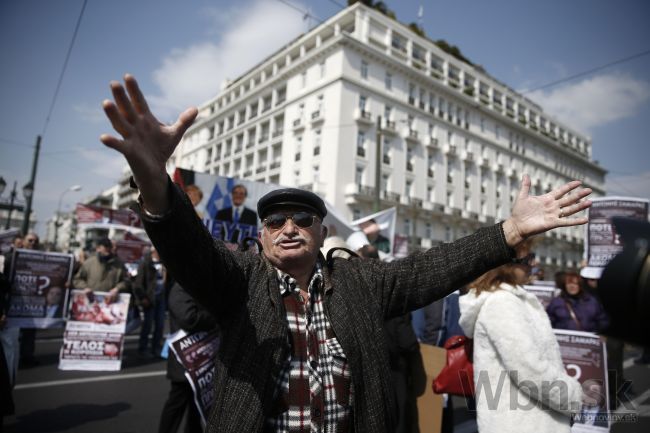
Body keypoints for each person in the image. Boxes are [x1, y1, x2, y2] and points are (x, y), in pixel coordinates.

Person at [99, 74, 592, 432]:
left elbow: (435, 268)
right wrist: (153, 179)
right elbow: (188, 248)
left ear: (321, 230)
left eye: (303, 219)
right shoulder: (238, 280)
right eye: (275, 221)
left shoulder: (361, 282)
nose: (288, 227)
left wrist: (509, 230)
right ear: (261, 236)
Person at [459, 249, 584, 433]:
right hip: (522, 423)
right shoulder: (502, 303)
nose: (533, 264)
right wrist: (572, 395)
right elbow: (529, 369)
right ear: (506, 264)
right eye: (527, 259)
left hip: (527, 417)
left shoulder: (509, 299)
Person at [159, 282, 218, 433]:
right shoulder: (181, 287)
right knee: (177, 403)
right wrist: (217, 318)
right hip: (184, 361)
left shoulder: (195, 286)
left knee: (196, 406)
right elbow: (188, 318)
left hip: (201, 357)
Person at [134, 247, 170, 357]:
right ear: (154, 251)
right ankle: (143, 349)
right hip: (149, 299)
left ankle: (156, 348)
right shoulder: (145, 263)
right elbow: (138, 283)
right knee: (147, 325)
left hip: (161, 298)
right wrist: (143, 298)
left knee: (160, 325)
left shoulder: (165, 263)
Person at [72, 237, 130, 303]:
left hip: (110, 303)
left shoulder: (119, 265)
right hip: (90, 302)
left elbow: (126, 281)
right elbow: (77, 279)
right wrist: (85, 288)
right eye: (105, 246)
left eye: (109, 246)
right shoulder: (89, 263)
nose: (107, 249)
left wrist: (117, 289)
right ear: (98, 248)